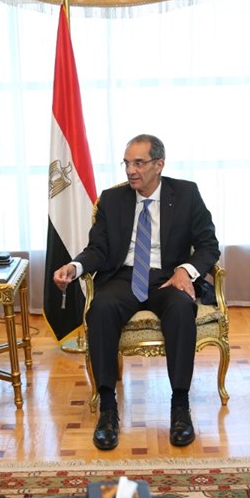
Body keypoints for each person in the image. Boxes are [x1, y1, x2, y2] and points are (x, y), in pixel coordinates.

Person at [53, 134, 220, 450]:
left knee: (182, 308)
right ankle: (108, 409)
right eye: (127, 163)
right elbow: (98, 249)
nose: (131, 170)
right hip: (125, 276)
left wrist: (186, 270)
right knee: (100, 309)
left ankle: (180, 407)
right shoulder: (112, 200)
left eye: (139, 163)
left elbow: (209, 245)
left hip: (168, 276)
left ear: (159, 165)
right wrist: (75, 267)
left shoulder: (186, 194)